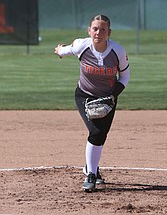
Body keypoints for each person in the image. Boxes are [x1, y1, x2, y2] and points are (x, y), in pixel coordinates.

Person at [54, 14, 130, 191]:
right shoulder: (82, 45)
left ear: (108, 32)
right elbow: (65, 50)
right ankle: (91, 175)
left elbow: (124, 77)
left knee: (101, 135)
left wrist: (112, 96)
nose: (98, 32)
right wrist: (59, 51)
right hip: (85, 96)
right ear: (89, 31)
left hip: (108, 97)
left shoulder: (117, 51)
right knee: (95, 132)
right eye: (95, 28)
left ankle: (90, 167)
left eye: (103, 29)